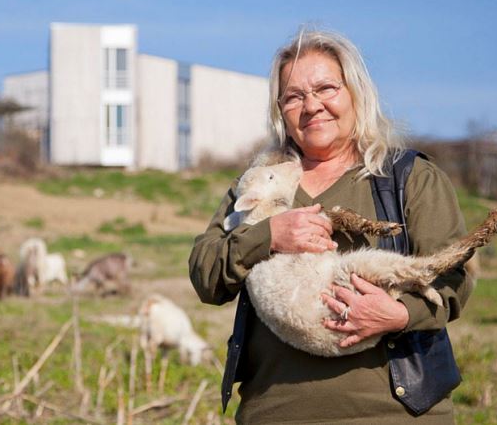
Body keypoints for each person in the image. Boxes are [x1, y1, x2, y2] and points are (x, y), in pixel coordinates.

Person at [189, 29, 471, 424]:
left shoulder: (409, 178)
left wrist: (399, 315)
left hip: (393, 414)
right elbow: (205, 272)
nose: (312, 106)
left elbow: (455, 277)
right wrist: (268, 237)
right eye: (294, 96)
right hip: (277, 411)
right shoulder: (260, 182)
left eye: (326, 88)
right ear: (280, 110)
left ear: (355, 93)